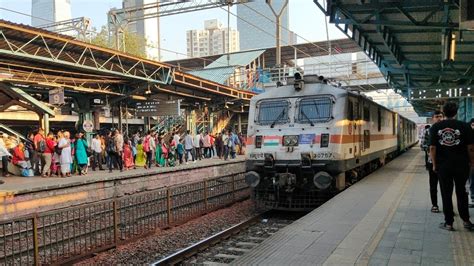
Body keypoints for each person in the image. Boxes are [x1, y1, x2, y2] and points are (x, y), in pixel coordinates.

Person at [429, 102, 474, 231]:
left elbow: (432, 148)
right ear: (456, 112)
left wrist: (435, 165)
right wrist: (472, 162)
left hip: (444, 166)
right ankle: (466, 221)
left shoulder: (436, 127)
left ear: (444, 112)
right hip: (462, 165)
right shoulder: (465, 126)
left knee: (446, 194)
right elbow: (470, 147)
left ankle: (449, 223)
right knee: (462, 193)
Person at [424, 111, 444, 213]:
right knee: (433, 185)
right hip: (432, 161)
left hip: (444, 162)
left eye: (441, 116)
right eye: (437, 117)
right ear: (433, 118)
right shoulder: (428, 131)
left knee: (445, 186)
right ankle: (434, 205)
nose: (439, 118)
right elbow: (424, 144)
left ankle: (447, 206)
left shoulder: (445, 130)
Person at [469, 118, 474, 208]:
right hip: (471, 163)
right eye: (473, 125)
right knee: (472, 180)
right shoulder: (468, 136)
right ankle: (473, 199)